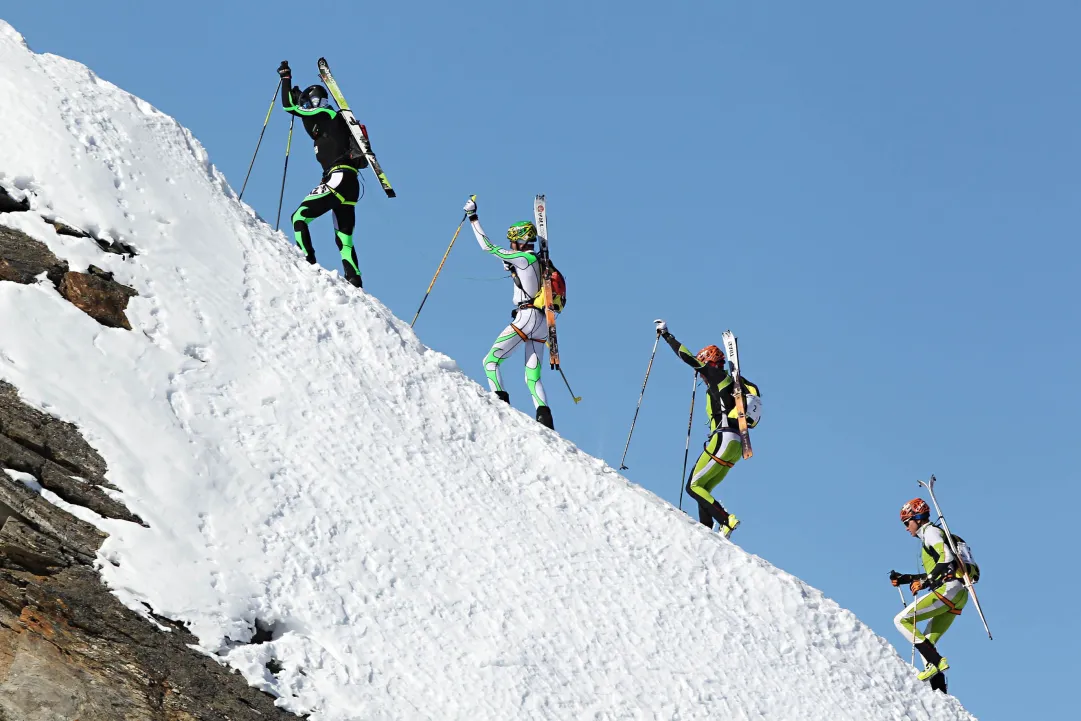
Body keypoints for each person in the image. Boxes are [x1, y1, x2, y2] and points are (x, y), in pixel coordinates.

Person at [653, 320, 760, 537]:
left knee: (692, 486)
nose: (701, 374)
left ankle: (727, 520)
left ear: (710, 362)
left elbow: (687, 357)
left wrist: (667, 335)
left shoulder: (716, 376)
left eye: (703, 366)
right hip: (737, 445)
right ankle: (706, 531)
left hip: (723, 439)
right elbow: (754, 391)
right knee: (703, 488)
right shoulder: (732, 382)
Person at [464, 197, 556, 429]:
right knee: (532, 376)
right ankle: (545, 419)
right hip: (542, 321)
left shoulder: (522, 258)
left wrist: (473, 218)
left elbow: (488, 247)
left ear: (519, 240)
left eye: (512, 241)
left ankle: (499, 403)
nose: (510, 244)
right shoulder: (538, 259)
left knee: (490, 361)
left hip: (524, 317)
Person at [277, 60, 368, 288]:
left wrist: (285, 78)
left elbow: (289, 106)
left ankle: (307, 263)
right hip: (350, 185)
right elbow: (300, 106)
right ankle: (354, 280)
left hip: (337, 178)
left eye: (312, 102)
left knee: (299, 218)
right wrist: (300, 95)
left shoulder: (325, 114)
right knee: (345, 238)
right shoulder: (327, 121)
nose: (309, 108)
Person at [889, 498, 970, 693]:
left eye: (907, 522)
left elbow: (947, 560)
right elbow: (939, 568)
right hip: (959, 594)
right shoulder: (931, 536)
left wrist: (924, 583)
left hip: (948, 590)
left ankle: (937, 662)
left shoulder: (930, 532)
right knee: (926, 641)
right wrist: (907, 578)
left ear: (917, 518)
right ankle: (940, 691)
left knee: (901, 621)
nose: (906, 528)